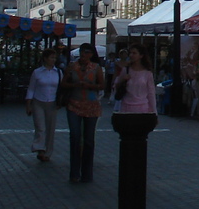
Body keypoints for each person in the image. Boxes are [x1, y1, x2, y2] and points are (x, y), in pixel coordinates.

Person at [61, 43, 105, 183]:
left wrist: (90, 86)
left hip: (91, 106)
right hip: (74, 103)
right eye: (82, 52)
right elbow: (63, 83)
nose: (84, 55)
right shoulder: (72, 66)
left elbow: (103, 85)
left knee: (88, 140)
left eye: (87, 52)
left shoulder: (96, 68)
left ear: (92, 54)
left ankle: (86, 173)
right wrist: (74, 85)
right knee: (75, 137)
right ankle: (74, 172)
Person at [25, 48, 62, 162]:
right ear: (45, 59)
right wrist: (28, 104)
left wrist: (61, 101)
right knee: (40, 127)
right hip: (38, 101)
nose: (53, 60)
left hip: (52, 102)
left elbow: (62, 87)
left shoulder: (58, 72)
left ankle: (48, 152)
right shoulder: (37, 72)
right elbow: (31, 88)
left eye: (54, 58)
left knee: (50, 128)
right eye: (51, 57)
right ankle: (40, 148)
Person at [113, 44, 157, 114]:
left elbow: (151, 93)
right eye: (130, 53)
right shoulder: (126, 70)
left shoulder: (147, 73)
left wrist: (154, 111)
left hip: (142, 107)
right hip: (126, 106)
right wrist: (123, 80)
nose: (131, 55)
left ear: (141, 56)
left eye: (134, 53)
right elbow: (116, 86)